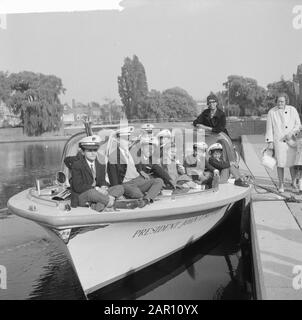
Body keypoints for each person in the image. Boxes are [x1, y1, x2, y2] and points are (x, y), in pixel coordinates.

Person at [107, 127, 164, 205]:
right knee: (138, 194)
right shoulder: (113, 156)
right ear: (118, 140)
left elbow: (138, 162)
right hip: (126, 184)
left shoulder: (131, 151)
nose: (129, 142)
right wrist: (117, 193)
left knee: (159, 181)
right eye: (126, 139)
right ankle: (144, 198)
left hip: (138, 180)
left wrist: (140, 170)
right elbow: (113, 178)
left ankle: (146, 199)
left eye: (129, 139)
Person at [70, 135, 124, 212]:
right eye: (89, 151)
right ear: (83, 152)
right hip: (83, 195)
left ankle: (99, 206)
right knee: (92, 193)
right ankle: (111, 202)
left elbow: (102, 180)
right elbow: (78, 187)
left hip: (98, 195)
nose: (93, 153)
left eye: (95, 150)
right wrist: (97, 189)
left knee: (119, 187)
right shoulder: (77, 165)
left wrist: (103, 186)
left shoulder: (100, 163)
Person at [265, 92, 301, 192]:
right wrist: (270, 142)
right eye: (278, 101)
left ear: (286, 101)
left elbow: (298, 125)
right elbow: (269, 129)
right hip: (279, 142)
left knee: (292, 164)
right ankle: (281, 185)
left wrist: (292, 133)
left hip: (291, 142)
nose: (280, 103)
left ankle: (294, 183)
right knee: (280, 164)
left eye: (282, 101)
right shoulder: (271, 112)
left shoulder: (292, 110)